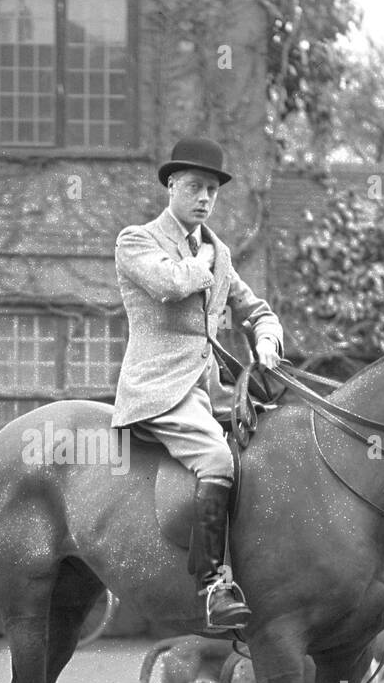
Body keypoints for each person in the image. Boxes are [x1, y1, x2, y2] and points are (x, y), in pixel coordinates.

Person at [111, 137, 284, 629]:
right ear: (171, 186)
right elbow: (169, 285)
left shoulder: (219, 251)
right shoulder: (136, 240)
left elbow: (255, 309)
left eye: (212, 189)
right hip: (159, 388)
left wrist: (267, 338)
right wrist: (206, 263)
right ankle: (213, 587)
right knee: (216, 457)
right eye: (194, 187)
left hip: (210, 390)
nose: (204, 198)